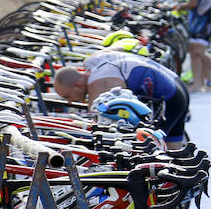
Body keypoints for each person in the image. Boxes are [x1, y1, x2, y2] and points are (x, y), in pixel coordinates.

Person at [53, 50, 191, 149]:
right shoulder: (93, 61)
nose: (70, 102)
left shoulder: (98, 81)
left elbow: (96, 125)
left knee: (153, 148)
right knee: (175, 152)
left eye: (68, 96)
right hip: (176, 86)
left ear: (77, 85)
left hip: (168, 97)